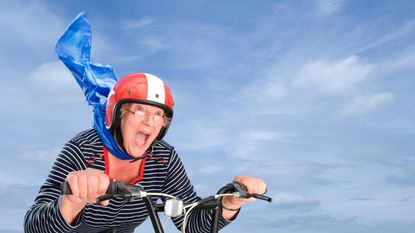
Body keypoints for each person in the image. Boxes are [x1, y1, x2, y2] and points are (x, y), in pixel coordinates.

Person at [24, 72, 267, 233]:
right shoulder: (84, 150)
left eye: (158, 114)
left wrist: (230, 202)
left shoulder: (164, 159)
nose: (150, 122)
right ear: (117, 115)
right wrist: (71, 202)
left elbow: (190, 222)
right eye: (139, 109)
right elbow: (33, 226)